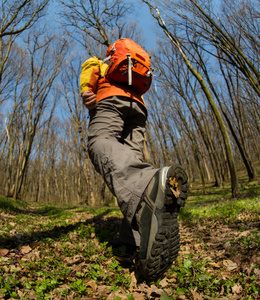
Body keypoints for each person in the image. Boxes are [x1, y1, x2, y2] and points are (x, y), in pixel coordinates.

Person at [80, 38, 189, 281]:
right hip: (138, 107)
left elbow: (89, 67)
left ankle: (151, 181)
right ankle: (135, 239)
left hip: (110, 100)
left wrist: (87, 90)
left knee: (100, 142)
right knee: (130, 161)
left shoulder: (103, 61)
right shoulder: (135, 69)